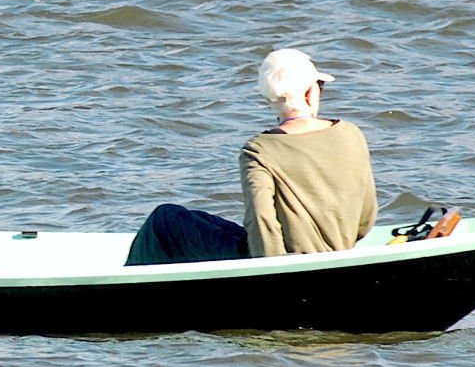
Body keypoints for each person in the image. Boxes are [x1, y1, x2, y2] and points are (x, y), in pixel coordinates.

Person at [126, 47, 377, 265]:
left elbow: (261, 221)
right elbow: (365, 219)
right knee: (202, 221)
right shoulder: (351, 133)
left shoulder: (259, 149)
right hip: (336, 250)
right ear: (311, 92)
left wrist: (271, 271)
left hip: (279, 263)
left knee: (165, 219)